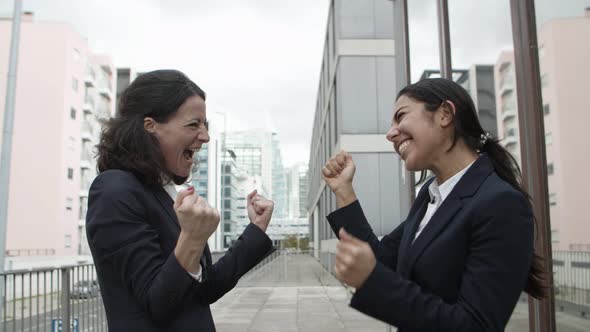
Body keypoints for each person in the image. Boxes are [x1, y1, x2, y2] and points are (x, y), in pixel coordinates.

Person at [322, 78, 547, 331]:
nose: (390, 133)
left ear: (445, 114)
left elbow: (475, 326)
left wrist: (374, 281)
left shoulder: (501, 204)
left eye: (400, 116)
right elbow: (380, 260)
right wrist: (344, 189)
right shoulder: (430, 197)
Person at [86, 69, 275, 331]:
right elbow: (159, 303)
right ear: (150, 126)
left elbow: (204, 289)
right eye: (193, 124)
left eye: (205, 125)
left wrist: (256, 231)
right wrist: (193, 238)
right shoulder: (114, 190)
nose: (205, 136)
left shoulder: (160, 192)